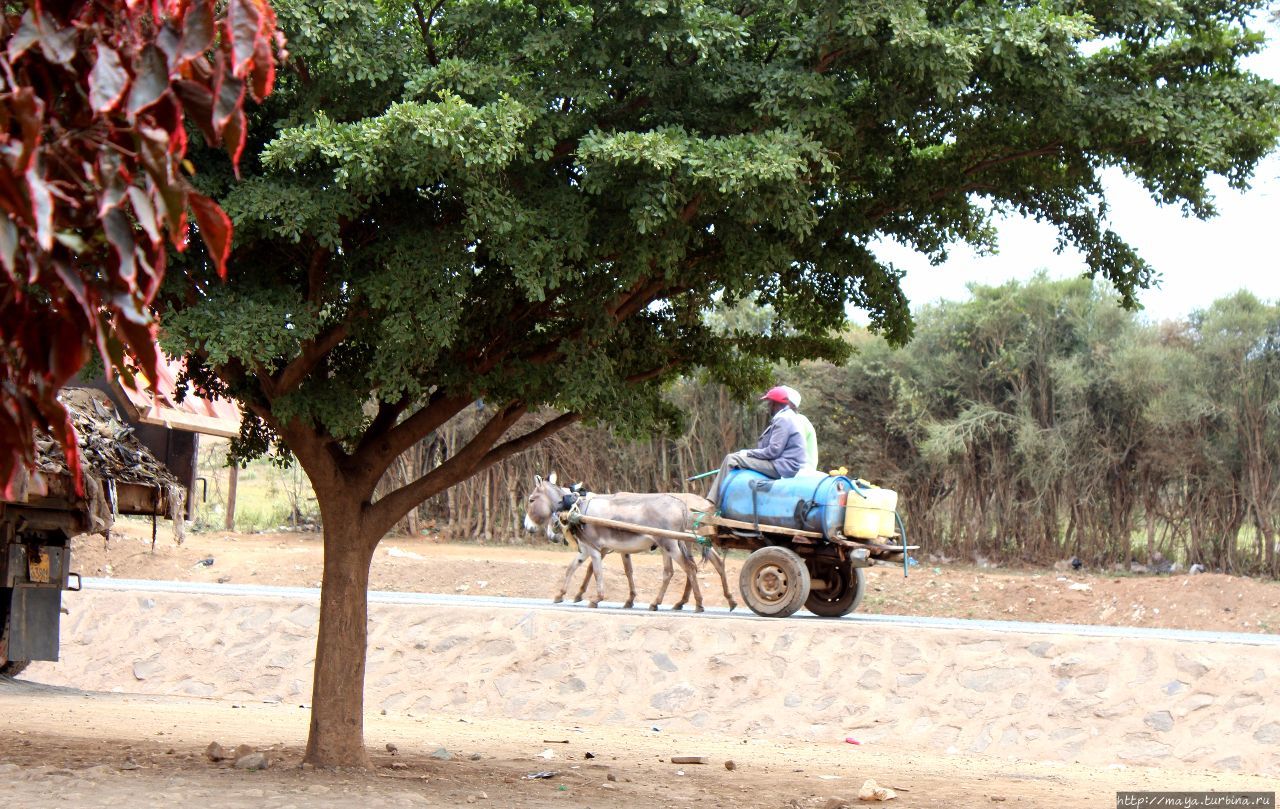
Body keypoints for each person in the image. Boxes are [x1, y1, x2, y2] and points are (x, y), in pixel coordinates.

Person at [706, 386, 810, 507]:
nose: (768, 407)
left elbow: (773, 451)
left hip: (783, 467)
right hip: (785, 464)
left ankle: (712, 503)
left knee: (731, 459)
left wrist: (747, 453)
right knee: (738, 459)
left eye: (769, 403)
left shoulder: (783, 419)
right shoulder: (789, 417)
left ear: (775, 404)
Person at [780, 385, 818, 472]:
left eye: (782, 401)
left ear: (792, 405)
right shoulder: (787, 419)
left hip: (801, 469)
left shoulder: (799, 420)